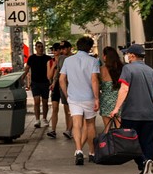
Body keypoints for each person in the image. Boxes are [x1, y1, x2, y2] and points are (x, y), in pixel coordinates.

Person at [110, 43, 153, 174]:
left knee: (130, 143)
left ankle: (143, 163)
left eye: (127, 54)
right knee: (147, 142)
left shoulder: (128, 69)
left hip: (132, 114)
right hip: (150, 114)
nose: (126, 56)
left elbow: (124, 89)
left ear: (132, 55)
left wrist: (116, 109)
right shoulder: (151, 71)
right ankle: (147, 169)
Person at [59, 36, 100, 165]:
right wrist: (97, 98)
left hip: (74, 97)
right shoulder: (93, 61)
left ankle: (78, 150)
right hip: (88, 97)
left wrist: (67, 94)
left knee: (76, 124)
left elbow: (61, 80)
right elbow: (94, 80)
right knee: (90, 124)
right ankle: (92, 152)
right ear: (89, 48)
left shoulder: (68, 61)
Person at [24, 41, 52, 129]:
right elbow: (27, 69)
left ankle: (44, 118)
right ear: (35, 48)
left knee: (45, 102)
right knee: (36, 101)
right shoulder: (31, 58)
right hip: (35, 83)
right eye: (38, 47)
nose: (40, 48)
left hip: (45, 82)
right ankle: (37, 119)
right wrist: (22, 79)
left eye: (41, 47)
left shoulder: (47, 58)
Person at [46, 41, 72, 139]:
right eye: (60, 48)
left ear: (69, 48)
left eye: (63, 48)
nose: (61, 50)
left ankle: (68, 130)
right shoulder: (60, 59)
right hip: (58, 85)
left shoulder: (73, 58)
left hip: (69, 85)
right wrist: (53, 82)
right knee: (55, 107)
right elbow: (58, 71)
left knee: (67, 109)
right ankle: (53, 130)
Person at [96, 46, 123, 133]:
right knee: (119, 126)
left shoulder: (101, 70)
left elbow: (98, 85)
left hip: (106, 101)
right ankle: (120, 144)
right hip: (119, 100)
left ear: (105, 56)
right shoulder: (122, 68)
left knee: (107, 128)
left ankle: (107, 145)